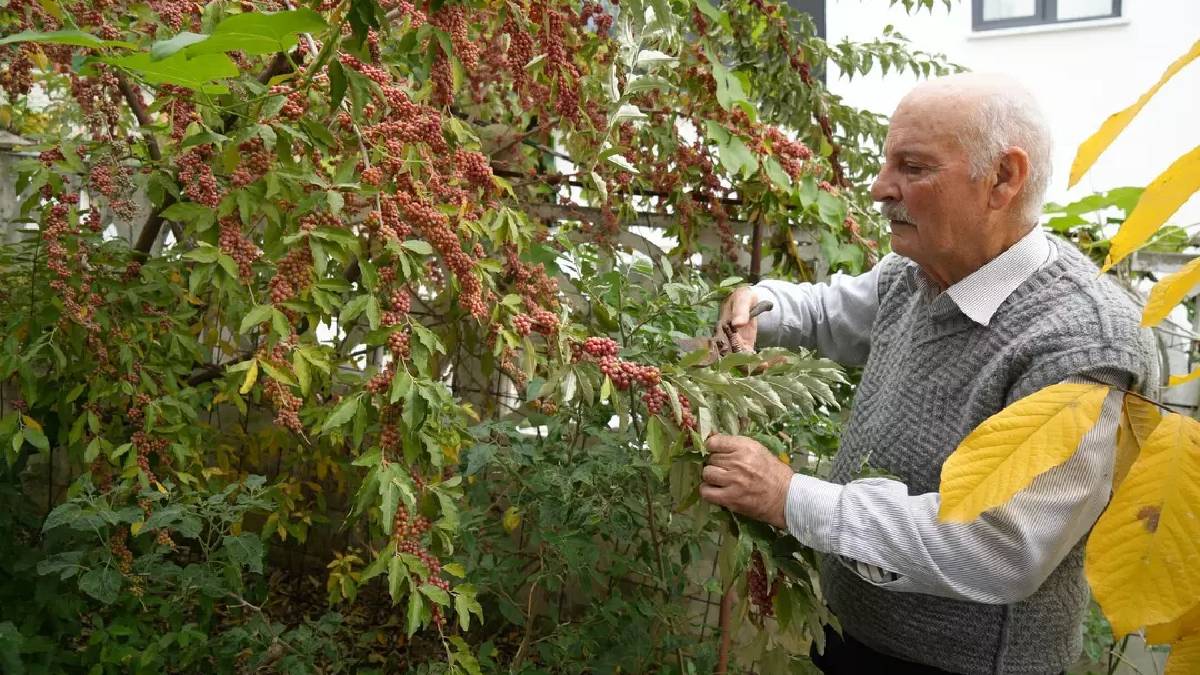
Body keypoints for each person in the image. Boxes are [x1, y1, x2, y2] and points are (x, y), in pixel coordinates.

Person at [699, 73, 1158, 675]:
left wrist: (790, 498)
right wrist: (761, 304)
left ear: (1003, 178)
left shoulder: (1083, 343)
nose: (879, 187)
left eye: (912, 168)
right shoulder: (920, 271)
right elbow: (832, 311)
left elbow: (1001, 548)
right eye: (889, 163)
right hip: (850, 633)